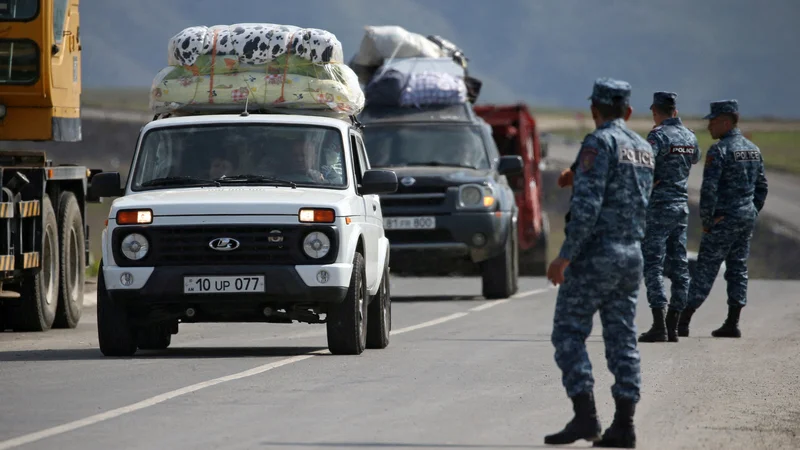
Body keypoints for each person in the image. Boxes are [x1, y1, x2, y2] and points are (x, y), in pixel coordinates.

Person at [545, 78, 654, 448]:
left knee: (568, 332)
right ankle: (624, 425)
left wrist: (564, 256)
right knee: (622, 338)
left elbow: (589, 209)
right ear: (628, 111)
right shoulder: (643, 148)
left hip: (597, 256)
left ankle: (585, 417)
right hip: (631, 254)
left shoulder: (598, 142)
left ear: (594, 109)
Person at [675, 100, 768, 338]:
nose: (709, 127)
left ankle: (682, 321)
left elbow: (709, 191)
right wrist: (751, 210)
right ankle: (732, 321)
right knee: (738, 268)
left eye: (713, 122)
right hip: (745, 218)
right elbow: (762, 187)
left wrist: (707, 221)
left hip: (723, 219)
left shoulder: (720, 151)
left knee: (705, 268)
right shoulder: (753, 149)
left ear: (726, 121)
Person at [638, 92, 701, 343]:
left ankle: (658, 324)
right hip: (681, 207)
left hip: (659, 207)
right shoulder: (690, 136)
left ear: (655, 111)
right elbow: (694, 157)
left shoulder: (658, 136)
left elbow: (645, 165)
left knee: (653, 264)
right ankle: (673, 325)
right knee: (679, 266)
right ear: (675, 111)